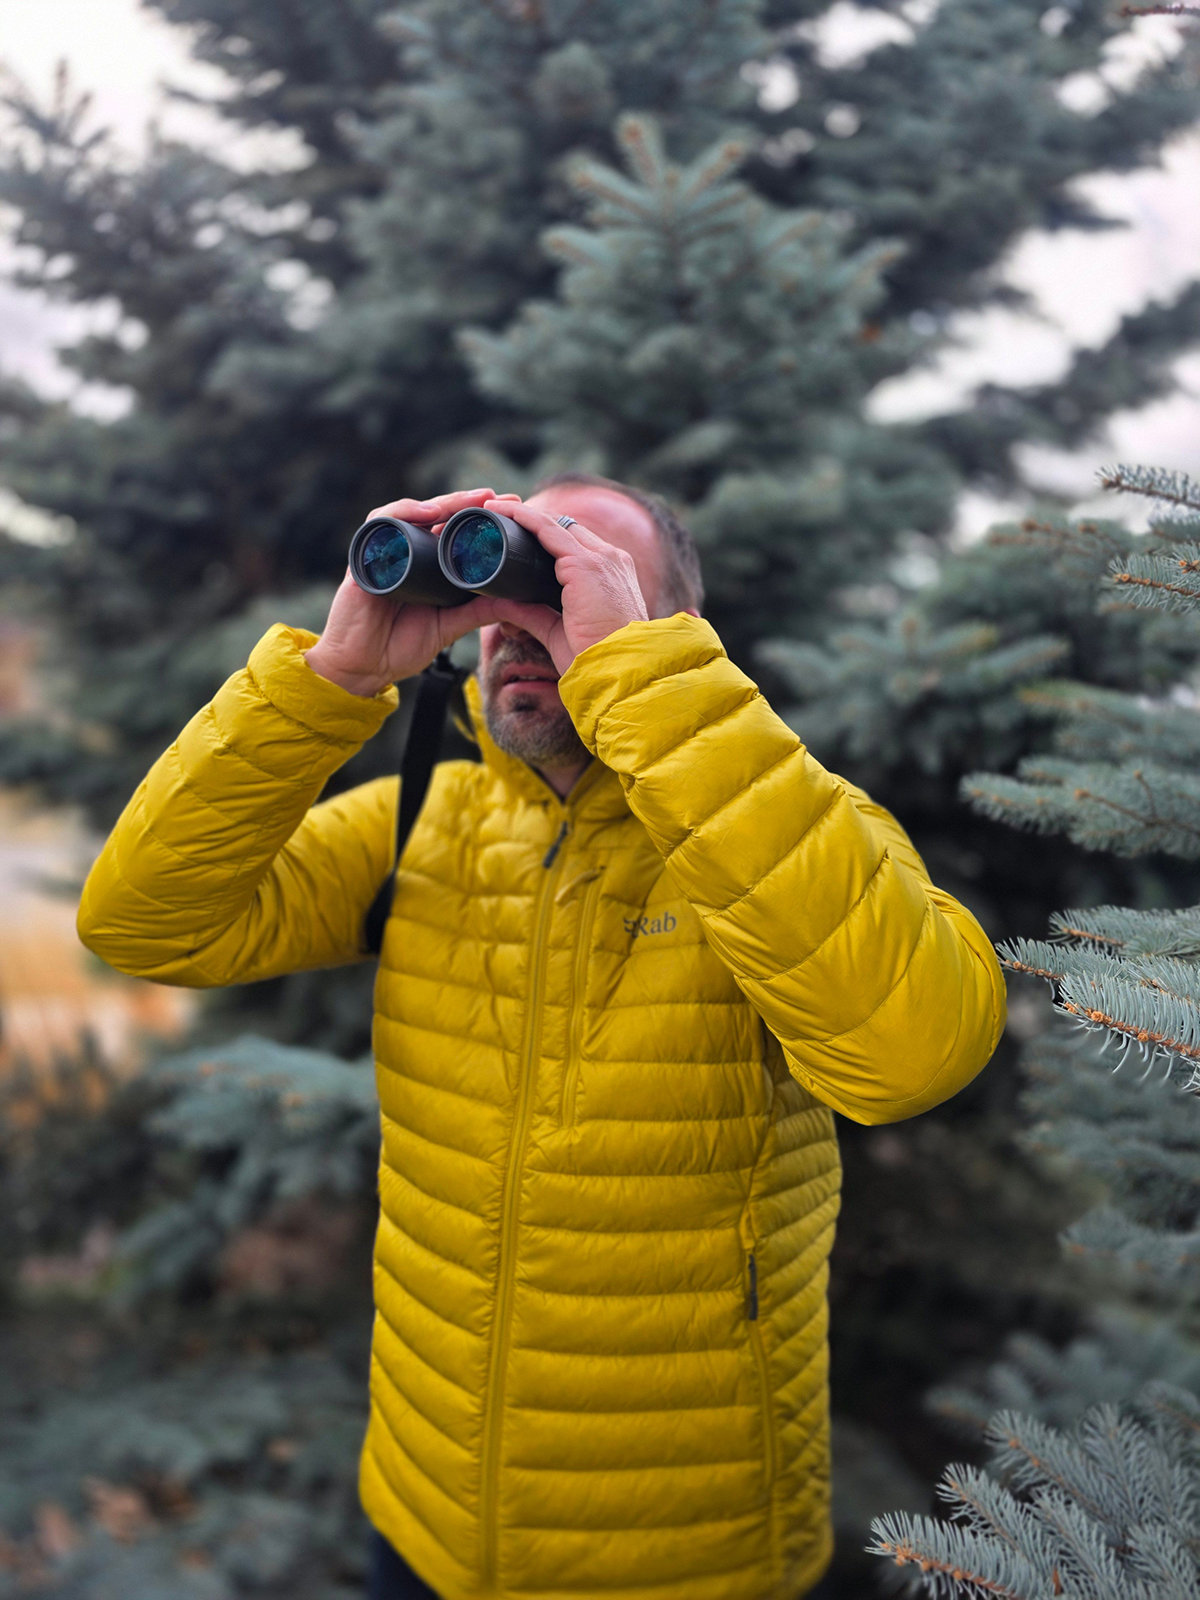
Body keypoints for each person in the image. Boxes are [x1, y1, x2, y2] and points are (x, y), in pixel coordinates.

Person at [78, 474, 1006, 1600]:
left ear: (675, 633)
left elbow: (911, 1057)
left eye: (573, 583)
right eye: (505, 581)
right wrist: (330, 681)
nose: (525, 624)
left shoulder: (787, 832)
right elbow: (142, 921)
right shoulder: (424, 824)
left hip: (685, 1554)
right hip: (423, 1514)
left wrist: (652, 694)